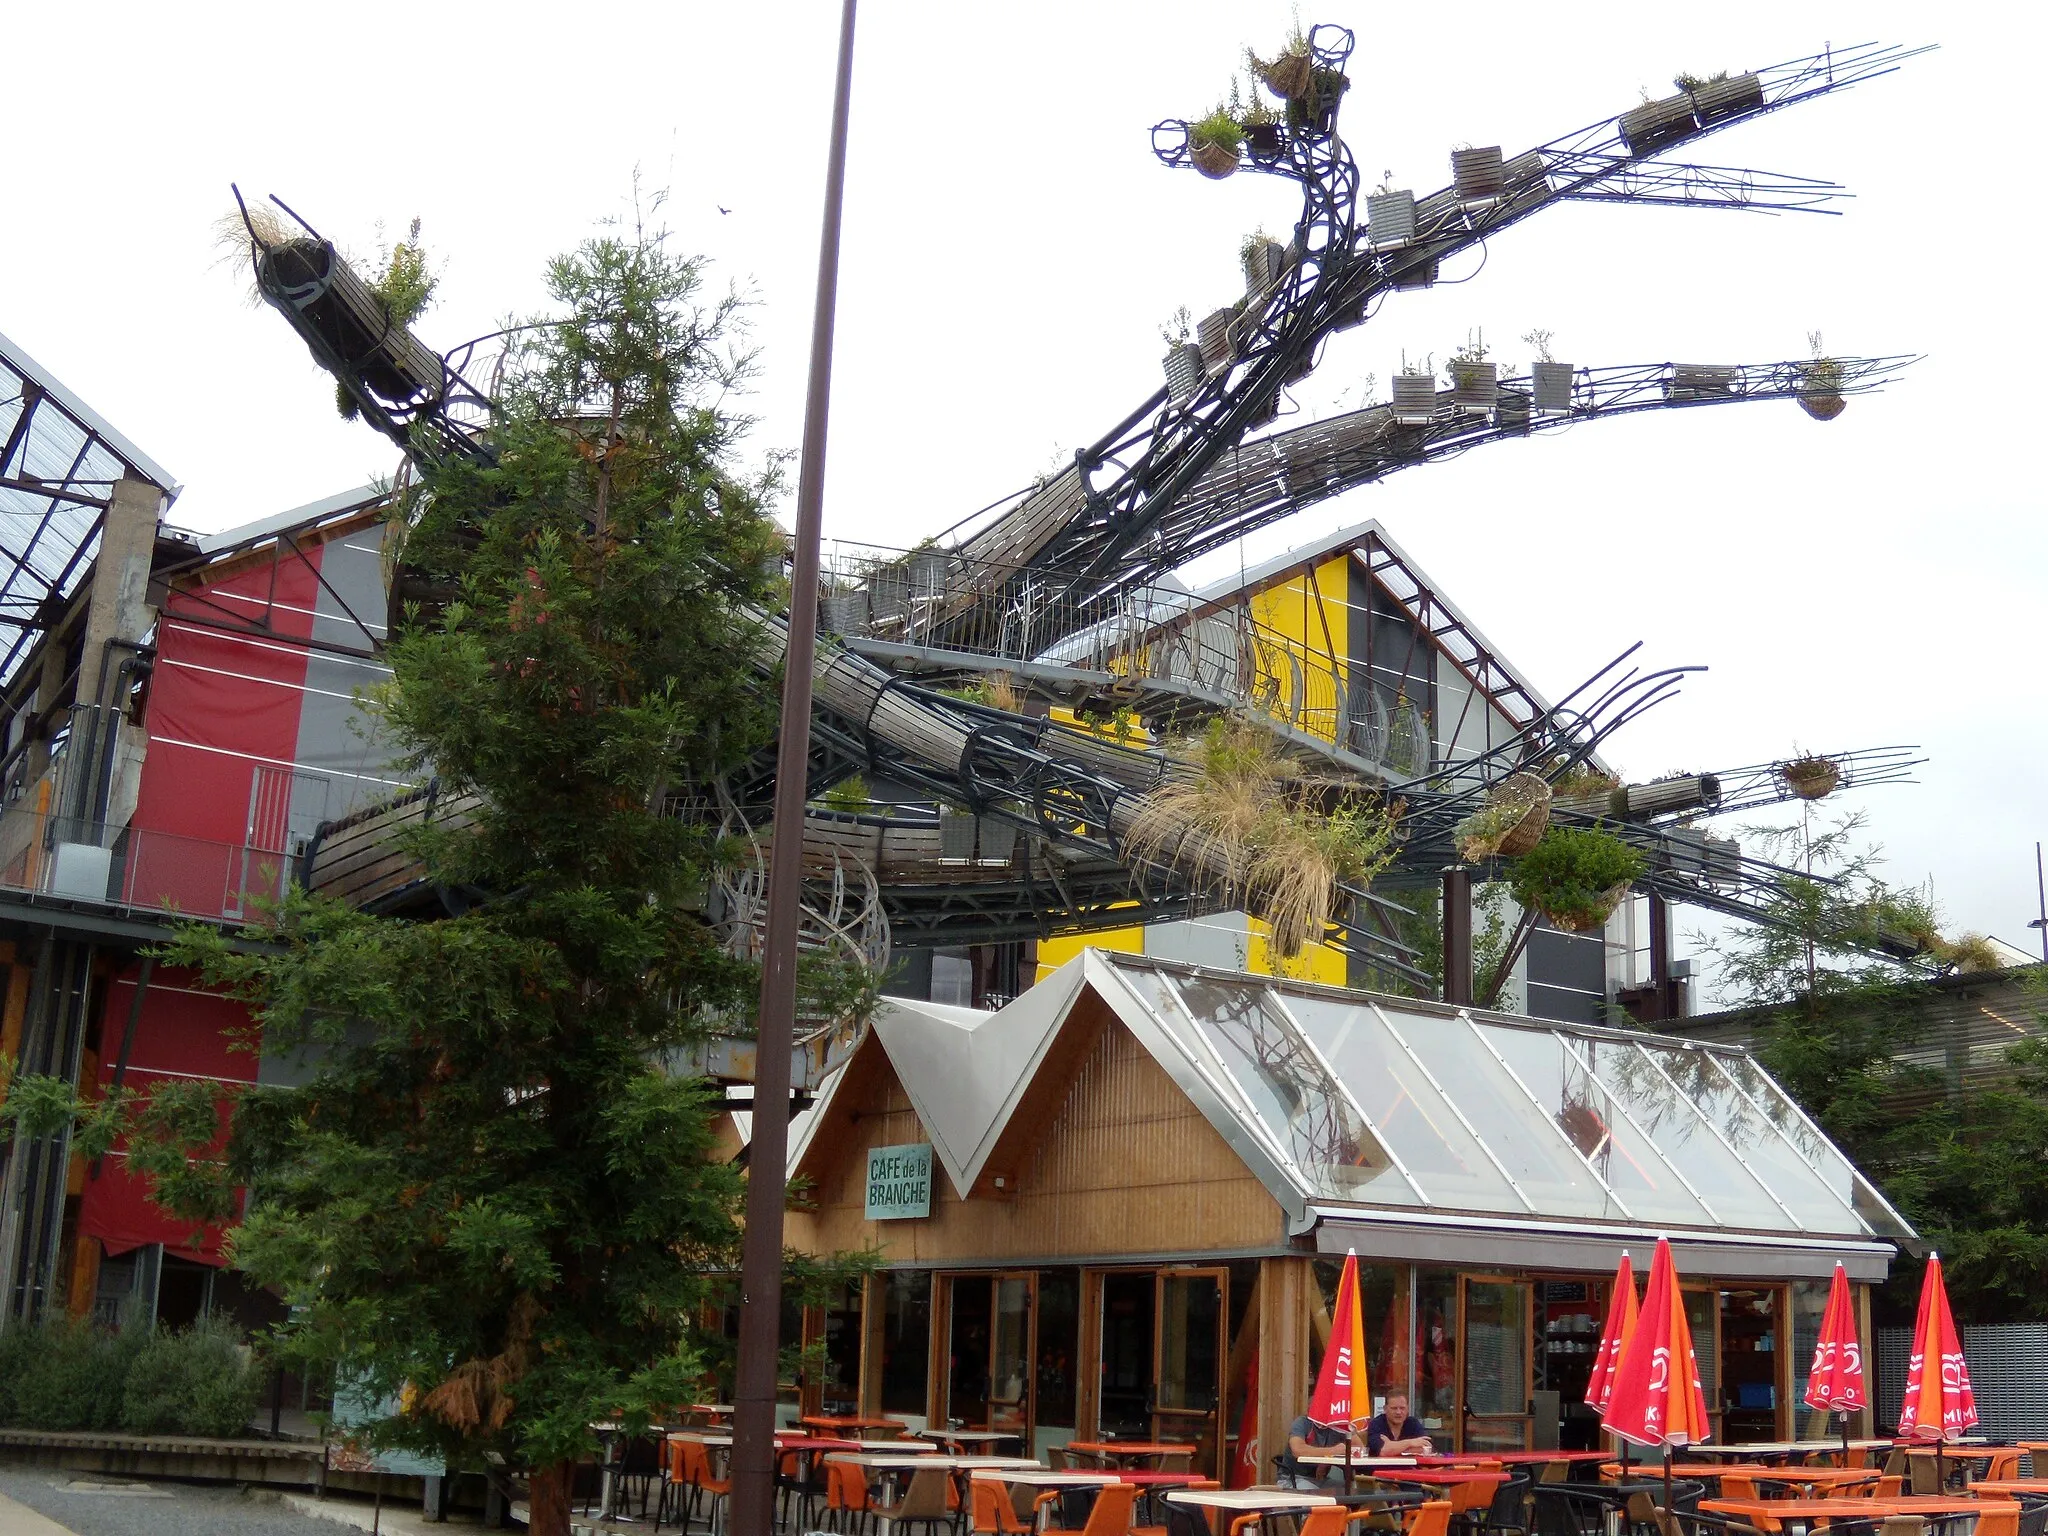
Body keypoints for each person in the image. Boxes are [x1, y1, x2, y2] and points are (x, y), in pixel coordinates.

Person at [1279, 1395, 1363, 1489]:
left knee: (1350, 1491)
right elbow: (1298, 1450)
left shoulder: (1336, 1426)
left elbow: (1359, 1448)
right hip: (1293, 1478)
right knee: (1316, 1494)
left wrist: (1347, 1427)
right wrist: (1333, 1451)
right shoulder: (1302, 1423)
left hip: (1320, 1479)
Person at [1365, 1392, 1434, 1457]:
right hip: (1381, 1468)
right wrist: (1410, 1443)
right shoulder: (1376, 1423)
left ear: (1407, 1409)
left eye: (1402, 1408)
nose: (1398, 1412)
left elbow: (1426, 1448)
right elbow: (1383, 1451)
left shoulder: (1413, 1423)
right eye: (1394, 1408)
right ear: (1385, 1409)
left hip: (1408, 1468)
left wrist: (1392, 1446)